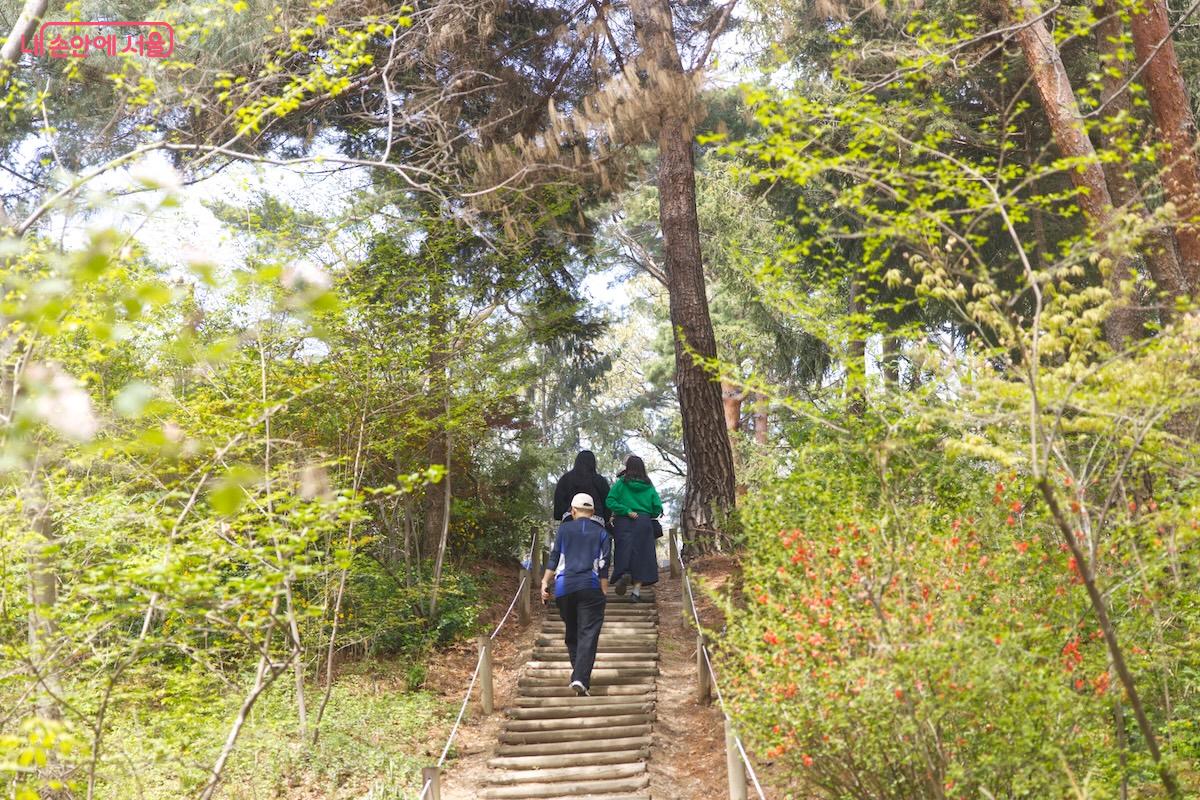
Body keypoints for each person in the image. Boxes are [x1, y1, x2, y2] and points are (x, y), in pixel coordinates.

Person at [540, 492, 611, 696]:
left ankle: (579, 677)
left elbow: (555, 558)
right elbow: (604, 567)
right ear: (593, 512)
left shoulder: (564, 530)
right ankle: (580, 677)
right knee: (588, 634)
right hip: (590, 587)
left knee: (572, 633)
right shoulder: (603, 534)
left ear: (572, 511)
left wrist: (545, 582)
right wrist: (603, 592)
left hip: (564, 589)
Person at [606, 455, 663, 602]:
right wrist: (647, 513)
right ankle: (636, 593)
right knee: (642, 556)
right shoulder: (649, 485)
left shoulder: (621, 484)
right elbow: (657, 507)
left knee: (623, 551)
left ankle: (624, 573)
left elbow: (610, 501)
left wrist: (625, 510)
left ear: (628, 468)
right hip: (643, 522)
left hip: (624, 522)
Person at [553, 450, 610, 522]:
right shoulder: (600, 481)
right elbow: (607, 507)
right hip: (595, 523)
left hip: (570, 522)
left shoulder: (565, 480)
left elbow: (558, 511)